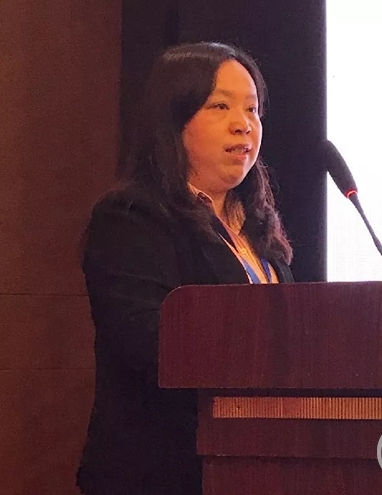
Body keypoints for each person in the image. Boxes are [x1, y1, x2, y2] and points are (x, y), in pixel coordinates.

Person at [76, 41, 294, 495]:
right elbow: (148, 343)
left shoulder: (258, 229)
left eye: (252, 109)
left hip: (258, 466)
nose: (243, 123)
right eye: (221, 106)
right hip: (162, 471)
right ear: (174, 120)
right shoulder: (131, 217)